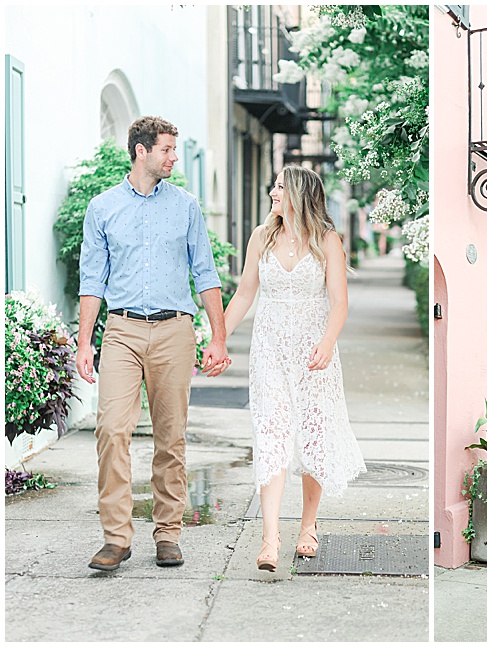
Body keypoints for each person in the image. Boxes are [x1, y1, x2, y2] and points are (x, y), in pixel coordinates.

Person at [77, 116, 230, 572]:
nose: (173, 157)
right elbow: (92, 281)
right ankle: (117, 537)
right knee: (111, 430)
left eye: (174, 149)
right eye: (166, 149)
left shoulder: (185, 207)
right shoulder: (102, 209)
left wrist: (217, 336)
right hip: (122, 331)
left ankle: (167, 533)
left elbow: (205, 273)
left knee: (171, 438)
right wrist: (85, 342)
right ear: (141, 151)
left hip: (174, 332)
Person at [221, 165, 366, 571]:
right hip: (269, 353)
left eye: (280, 187)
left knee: (312, 439)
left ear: (299, 193)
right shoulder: (262, 238)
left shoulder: (326, 241)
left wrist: (326, 343)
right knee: (270, 437)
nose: (272, 192)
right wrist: (219, 339)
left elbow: (339, 301)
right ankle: (270, 539)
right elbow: (245, 293)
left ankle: (307, 527)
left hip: (313, 355)